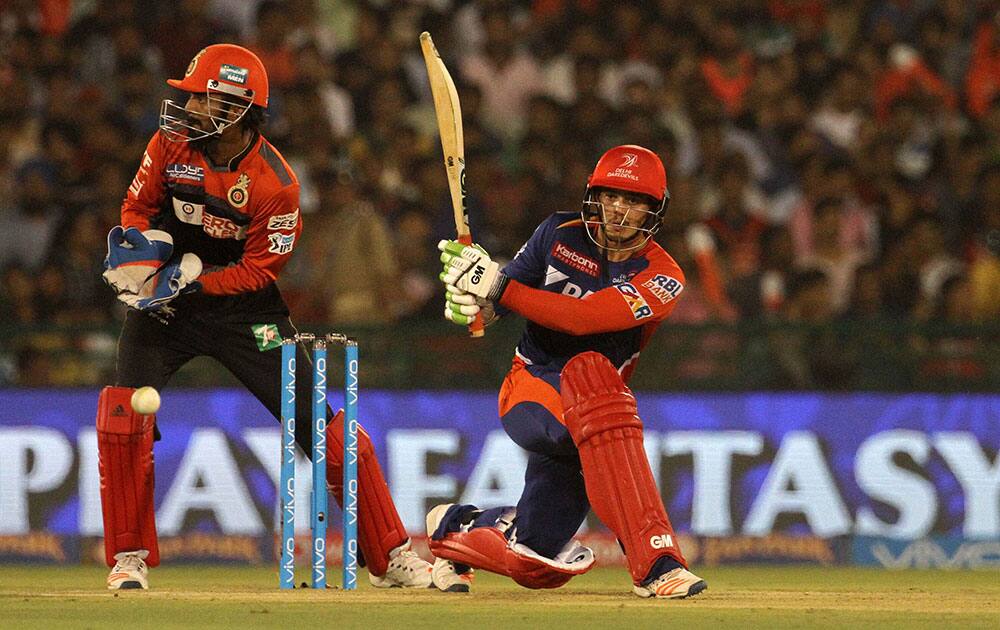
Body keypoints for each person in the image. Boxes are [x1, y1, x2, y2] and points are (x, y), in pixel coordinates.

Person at [97, 44, 431, 591]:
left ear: (236, 108)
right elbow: (136, 207)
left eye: (203, 100)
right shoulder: (169, 143)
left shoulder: (277, 183)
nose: (189, 109)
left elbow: (259, 271)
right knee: (122, 418)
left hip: (244, 313)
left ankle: (391, 554)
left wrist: (193, 280)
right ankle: (128, 557)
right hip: (163, 308)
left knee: (323, 427)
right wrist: (140, 249)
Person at [427, 145, 707, 598]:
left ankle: (454, 530)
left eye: (634, 201)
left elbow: (583, 318)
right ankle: (658, 564)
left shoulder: (663, 276)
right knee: (595, 379)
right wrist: (473, 301)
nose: (619, 209)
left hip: (593, 417)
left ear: (654, 211)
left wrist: (496, 284)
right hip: (532, 386)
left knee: (537, 562)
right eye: (611, 195)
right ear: (594, 195)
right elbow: (501, 298)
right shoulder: (556, 232)